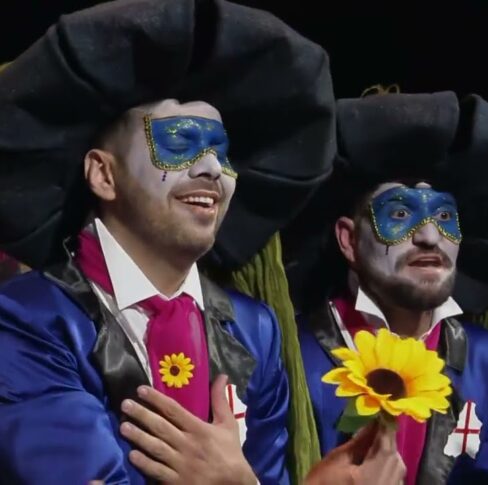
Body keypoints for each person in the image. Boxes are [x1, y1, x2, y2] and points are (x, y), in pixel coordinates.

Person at [0, 0, 336, 483]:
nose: (212, 169)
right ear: (104, 175)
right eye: (180, 143)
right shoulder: (28, 317)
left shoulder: (253, 328)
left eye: (221, 152)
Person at [286, 90, 488, 484]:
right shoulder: (294, 353)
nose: (430, 237)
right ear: (349, 241)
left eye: (445, 217)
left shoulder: (486, 358)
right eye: (401, 214)